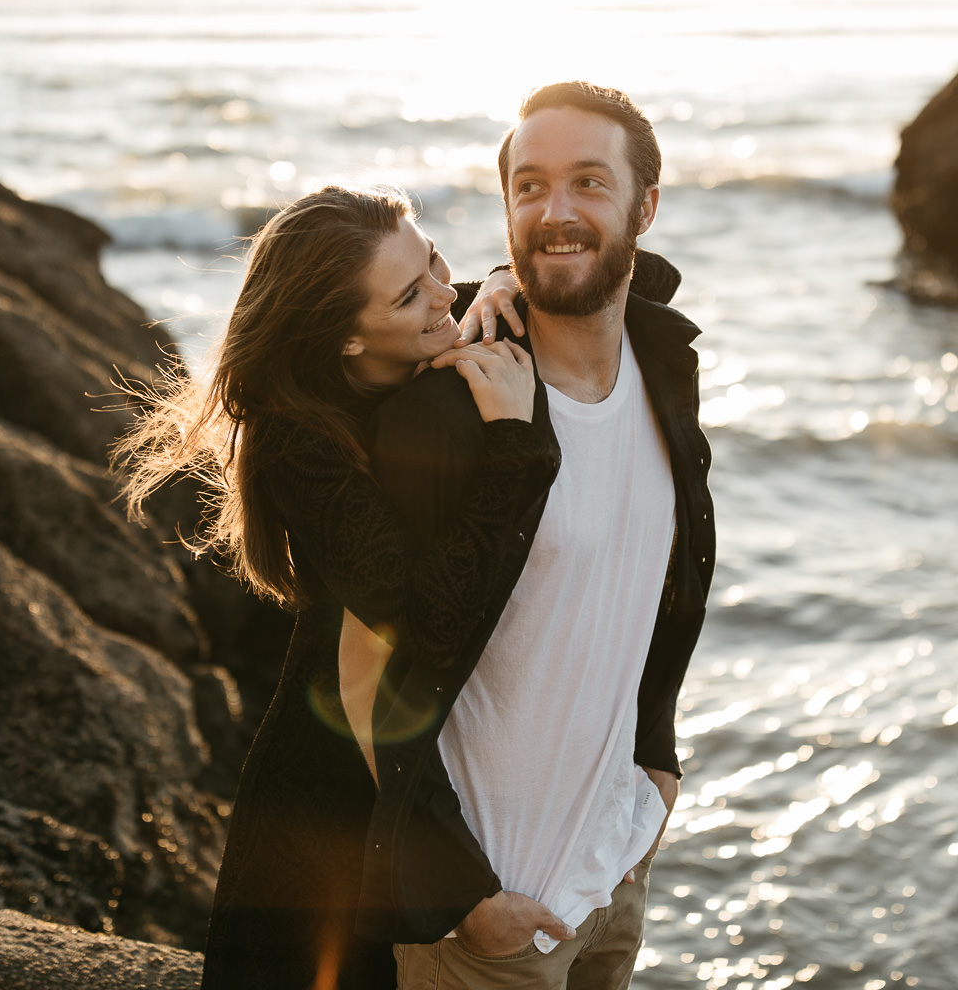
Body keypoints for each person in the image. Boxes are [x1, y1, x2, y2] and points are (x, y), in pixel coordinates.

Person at [116, 184, 681, 990]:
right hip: (340, 791)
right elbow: (423, 616)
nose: (442, 295)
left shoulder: (438, 342)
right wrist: (515, 448)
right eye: (410, 294)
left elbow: (646, 279)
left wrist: (504, 282)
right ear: (347, 338)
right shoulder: (297, 443)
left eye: (436, 264)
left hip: (432, 752)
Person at [361, 81, 716, 989]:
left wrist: (657, 755)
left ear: (647, 205)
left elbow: (667, 582)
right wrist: (461, 897)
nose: (556, 214)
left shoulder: (666, 364)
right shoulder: (447, 413)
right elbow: (363, 676)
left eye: (590, 183)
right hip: (486, 930)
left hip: (613, 871)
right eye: (530, 187)